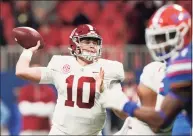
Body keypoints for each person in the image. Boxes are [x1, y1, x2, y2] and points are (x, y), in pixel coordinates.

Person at [98, 4, 192, 134]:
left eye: (165, 37)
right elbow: (138, 115)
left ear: (184, 31)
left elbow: (159, 122)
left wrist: (122, 103)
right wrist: (111, 94)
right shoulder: (155, 69)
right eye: (157, 38)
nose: (160, 44)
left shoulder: (184, 63)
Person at [15, 24, 125, 135]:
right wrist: (28, 51)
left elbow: (123, 114)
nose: (92, 46)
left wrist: (105, 92)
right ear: (74, 43)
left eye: (95, 42)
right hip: (61, 132)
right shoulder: (61, 64)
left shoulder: (108, 69)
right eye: (87, 42)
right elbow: (21, 71)